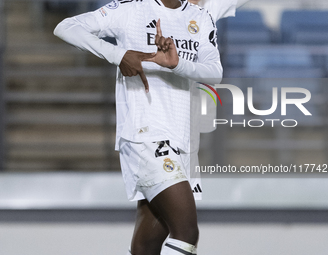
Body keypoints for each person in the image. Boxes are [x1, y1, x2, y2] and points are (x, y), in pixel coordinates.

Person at [54, 0, 222, 254]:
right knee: (186, 231)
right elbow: (66, 27)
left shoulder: (201, 17)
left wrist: (176, 65)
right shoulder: (130, 10)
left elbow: (214, 73)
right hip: (146, 135)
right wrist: (118, 55)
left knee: (148, 243)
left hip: (183, 139)